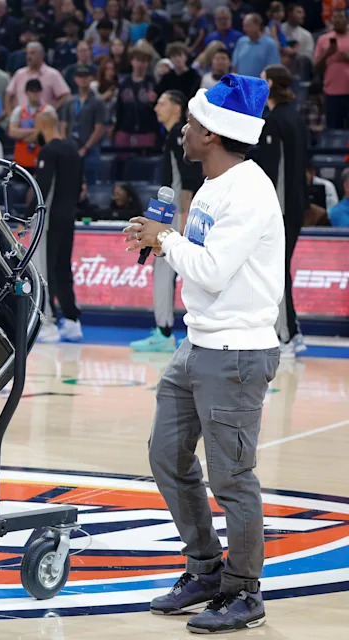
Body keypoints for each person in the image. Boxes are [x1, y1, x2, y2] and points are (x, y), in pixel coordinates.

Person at [125, 74, 282, 634]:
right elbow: (201, 258)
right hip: (199, 342)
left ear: (212, 133)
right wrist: (161, 236)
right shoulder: (214, 182)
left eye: (192, 124)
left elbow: (213, 271)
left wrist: (164, 240)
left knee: (233, 478)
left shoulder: (250, 190)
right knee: (166, 455)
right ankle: (205, 570)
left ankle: (245, 592)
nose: (184, 131)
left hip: (237, 352)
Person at [130, 90, 203, 352]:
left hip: (177, 214)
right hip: (175, 212)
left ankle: (163, 332)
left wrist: (183, 220)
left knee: (163, 270)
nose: (156, 107)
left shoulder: (177, 135)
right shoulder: (175, 135)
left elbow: (186, 180)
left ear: (176, 106)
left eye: (162, 103)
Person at [250, 65, 309, 357]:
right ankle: (292, 330)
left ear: (270, 84)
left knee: (278, 269)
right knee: (280, 268)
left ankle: (285, 334)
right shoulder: (295, 117)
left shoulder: (274, 121)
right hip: (296, 204)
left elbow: (271, 173)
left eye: (263, 80)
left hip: (282, 207)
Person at [31, 106, 84, 343]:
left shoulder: (49, 151)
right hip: (68, 216)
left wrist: (33, 216)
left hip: (51, 219)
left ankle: (48, 321)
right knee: (63, 268)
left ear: (43, 125)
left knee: (46, 268)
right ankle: (72, 321)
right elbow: (80, 188)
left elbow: (43, 189)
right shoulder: (73, 151)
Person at [59, 65, 107, 185]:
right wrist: (65, 144)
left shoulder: (97, 101)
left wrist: (86, 148)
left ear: (91, 78)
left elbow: (99, 128)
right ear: (75, 79)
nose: (83, 79)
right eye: (80, 76)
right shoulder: (70, 101)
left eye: (85, 76)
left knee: (90, 182)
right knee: (69, 182)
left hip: (90, 150)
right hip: (71, 148)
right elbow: (63, 124)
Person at [312, 9, 349, 129]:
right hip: (331, 92)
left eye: (341, 17)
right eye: (336, 18)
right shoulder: (323, 39)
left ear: (346, 19)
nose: (338, 21)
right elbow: (315, 68)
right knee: (333, 130)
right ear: (331, 20)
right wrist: (327, 53)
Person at [9, 79, 46, 172]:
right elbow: (12, 132)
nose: (34, 94)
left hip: (41, 158)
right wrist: (35, 131)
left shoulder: (48, 111)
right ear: (26, 92)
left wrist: (22, 135)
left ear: (41, 92)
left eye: (37, 91)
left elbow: (46, 135)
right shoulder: (19, 110)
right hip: (21, 160)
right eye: (32, 91)